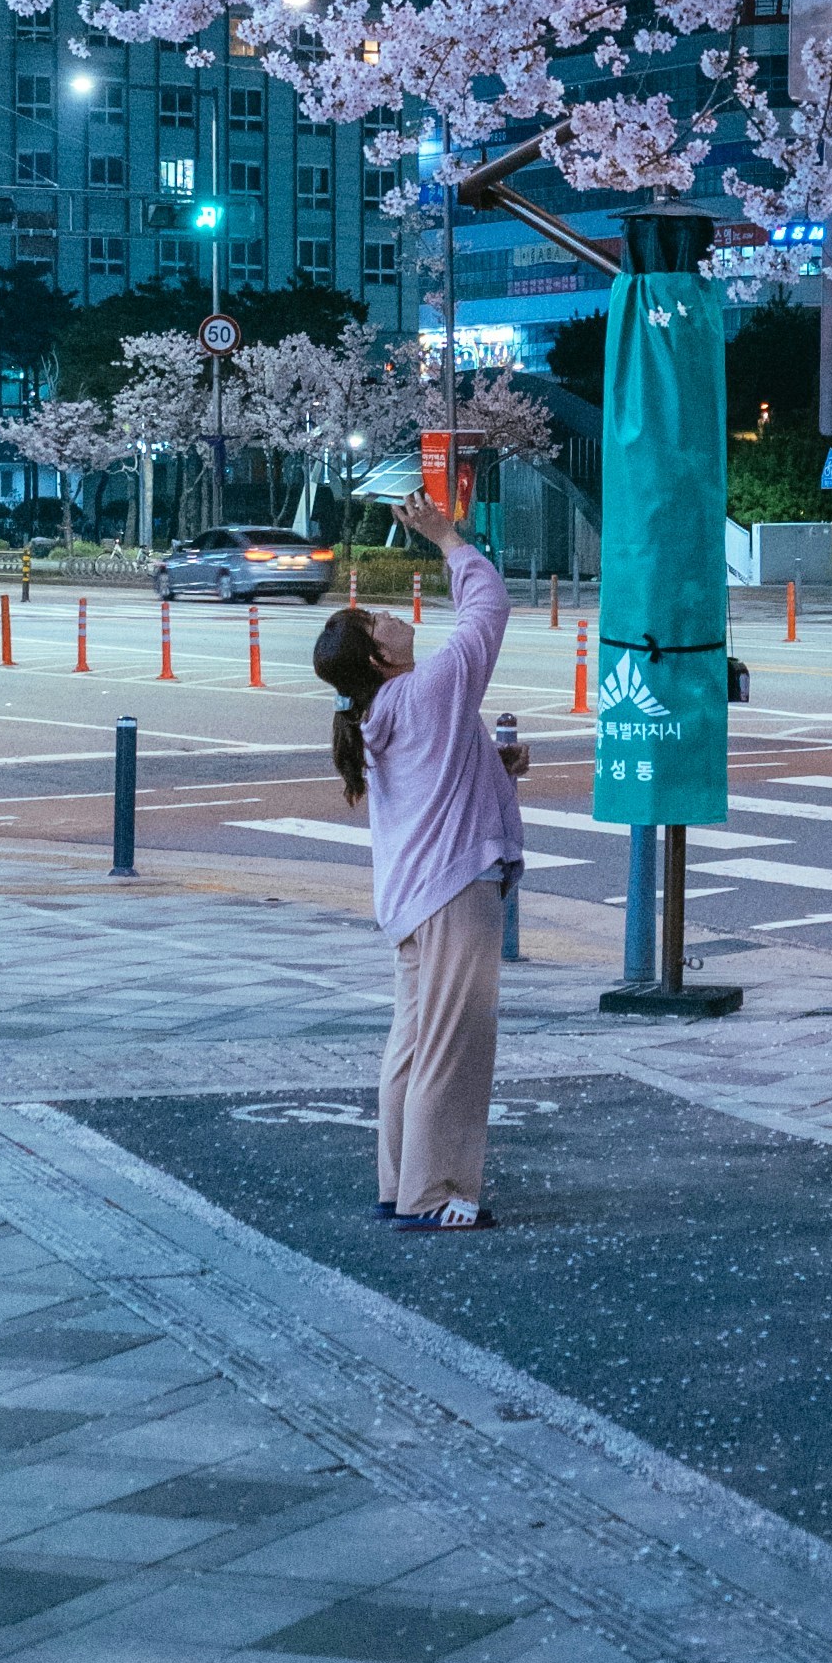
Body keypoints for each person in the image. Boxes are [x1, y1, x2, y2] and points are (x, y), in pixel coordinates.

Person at [312, 491, 514, 1232]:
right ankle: (435, 1194)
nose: (389, 613)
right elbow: (487, 608)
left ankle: (398, 1182)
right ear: (379, 653)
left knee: (412, 1041)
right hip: (456, 888)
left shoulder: (374, 712)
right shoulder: (427, 684)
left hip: (409, 898)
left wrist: (491, 763)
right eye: (376, 620)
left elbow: (436, 771)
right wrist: (447, 537)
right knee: (453, 1047)